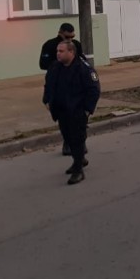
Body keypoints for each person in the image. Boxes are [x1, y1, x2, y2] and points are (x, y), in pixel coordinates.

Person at [43, 41, 101, 185]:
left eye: (61, 51)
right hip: (61, 110)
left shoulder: (83, 69)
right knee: (67, 138)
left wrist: (87, 110)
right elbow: (48, 84)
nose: (58, 53)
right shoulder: (55, 67)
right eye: (57, 51)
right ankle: (79, 159)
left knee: (77, 139)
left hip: (77, 111)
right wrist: (46, 100)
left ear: (71, 52)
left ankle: (78, 170)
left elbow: (94, 90)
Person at [39, 23, 85, 156]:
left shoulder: (76, 45)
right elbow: (43, 64)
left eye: (72, 36)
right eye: (67, 36)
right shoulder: (50, 45)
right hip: (58, 84)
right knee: (63, 117)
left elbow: (82, 61)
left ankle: (80, 145)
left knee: (78, 117)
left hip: (75, 83)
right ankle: (68, 142)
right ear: (60, 33)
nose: (70, 39)